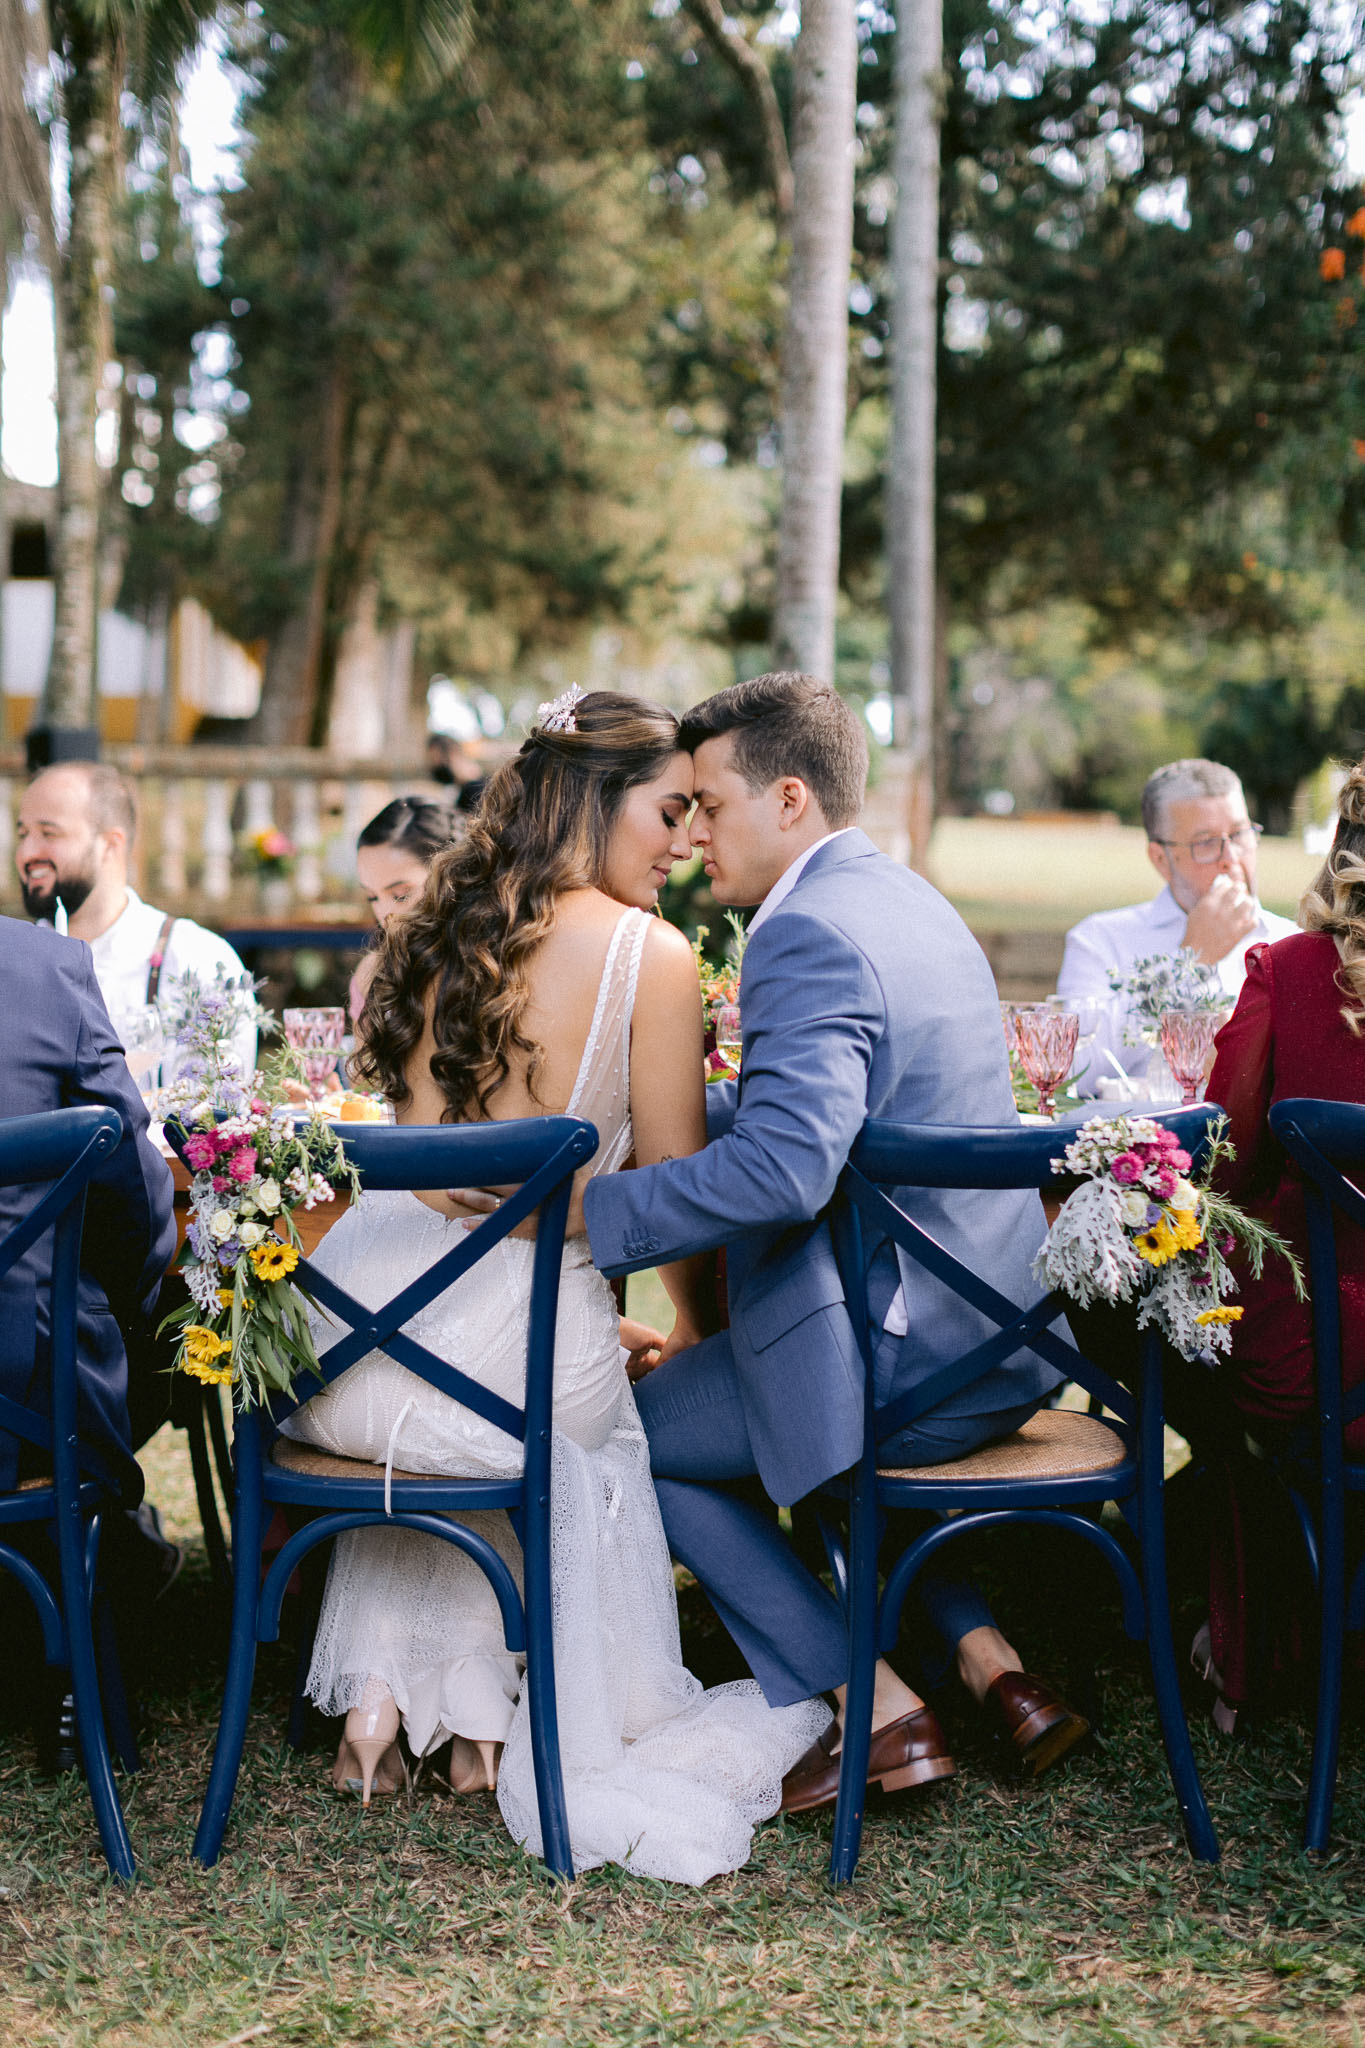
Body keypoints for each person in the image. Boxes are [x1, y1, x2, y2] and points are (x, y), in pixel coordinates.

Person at [279, 689, 827, 1883]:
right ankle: (478, 1720)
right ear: (593, 800)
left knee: (461, 1387)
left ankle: (390, 1703)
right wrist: (686, 1322)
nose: (685, 838)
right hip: (500, 1359)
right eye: (669, 809)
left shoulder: (438, 928)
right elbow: (677, 1191)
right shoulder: (652, 955)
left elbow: (432, 1186)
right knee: (571, 1405)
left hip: (343, 1351)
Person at [582, 673, 1087, 1815]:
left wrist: (591, 1213)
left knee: (648, 1439)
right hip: (999, 1333)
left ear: (792, 797)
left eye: (710, 802)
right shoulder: (907, 899)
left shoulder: (801, 931)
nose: (693, 829)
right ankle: (990, 1663)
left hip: (913, 1356)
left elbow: (785, 1170)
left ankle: (874, 1702)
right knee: (775, 1384)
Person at [1195, 760, 1365, 1727]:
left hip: (1324, 1360)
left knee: (1203, 1349)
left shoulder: (1290, 971)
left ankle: (1252, 1652)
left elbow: (1226, 1164)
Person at [0, 916, 177, 1602]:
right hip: (31, 1398)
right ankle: (83, 1638)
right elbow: (131, 1183)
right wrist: (126, 1303)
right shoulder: (46, 965)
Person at [1057, 759, 1297, 1092]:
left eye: (1240, 834)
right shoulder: (1100, 940)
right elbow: (1072, 1073)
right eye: (1206, 843)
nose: (1231, 858)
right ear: (1161, 860)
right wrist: (1189, 964)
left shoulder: (1292, 942)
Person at [15, 764, 257, 1082]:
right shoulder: (14, 962)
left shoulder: (196, 959)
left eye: (49, 833)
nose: (26, 853)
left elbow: (216, 1116)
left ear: (111, 845)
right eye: (22, 834)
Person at [348, 797, 456, 1027]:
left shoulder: (493, 969)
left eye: (400, 895)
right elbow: (362, 1062)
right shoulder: (372, 975)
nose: (385, 913)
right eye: (372, 897)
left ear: (451, 878)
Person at [425, 731, 486, 813]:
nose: (433, 766)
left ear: (453, 754)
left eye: (435, 759)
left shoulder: (473, 790)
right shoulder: (463, 788)